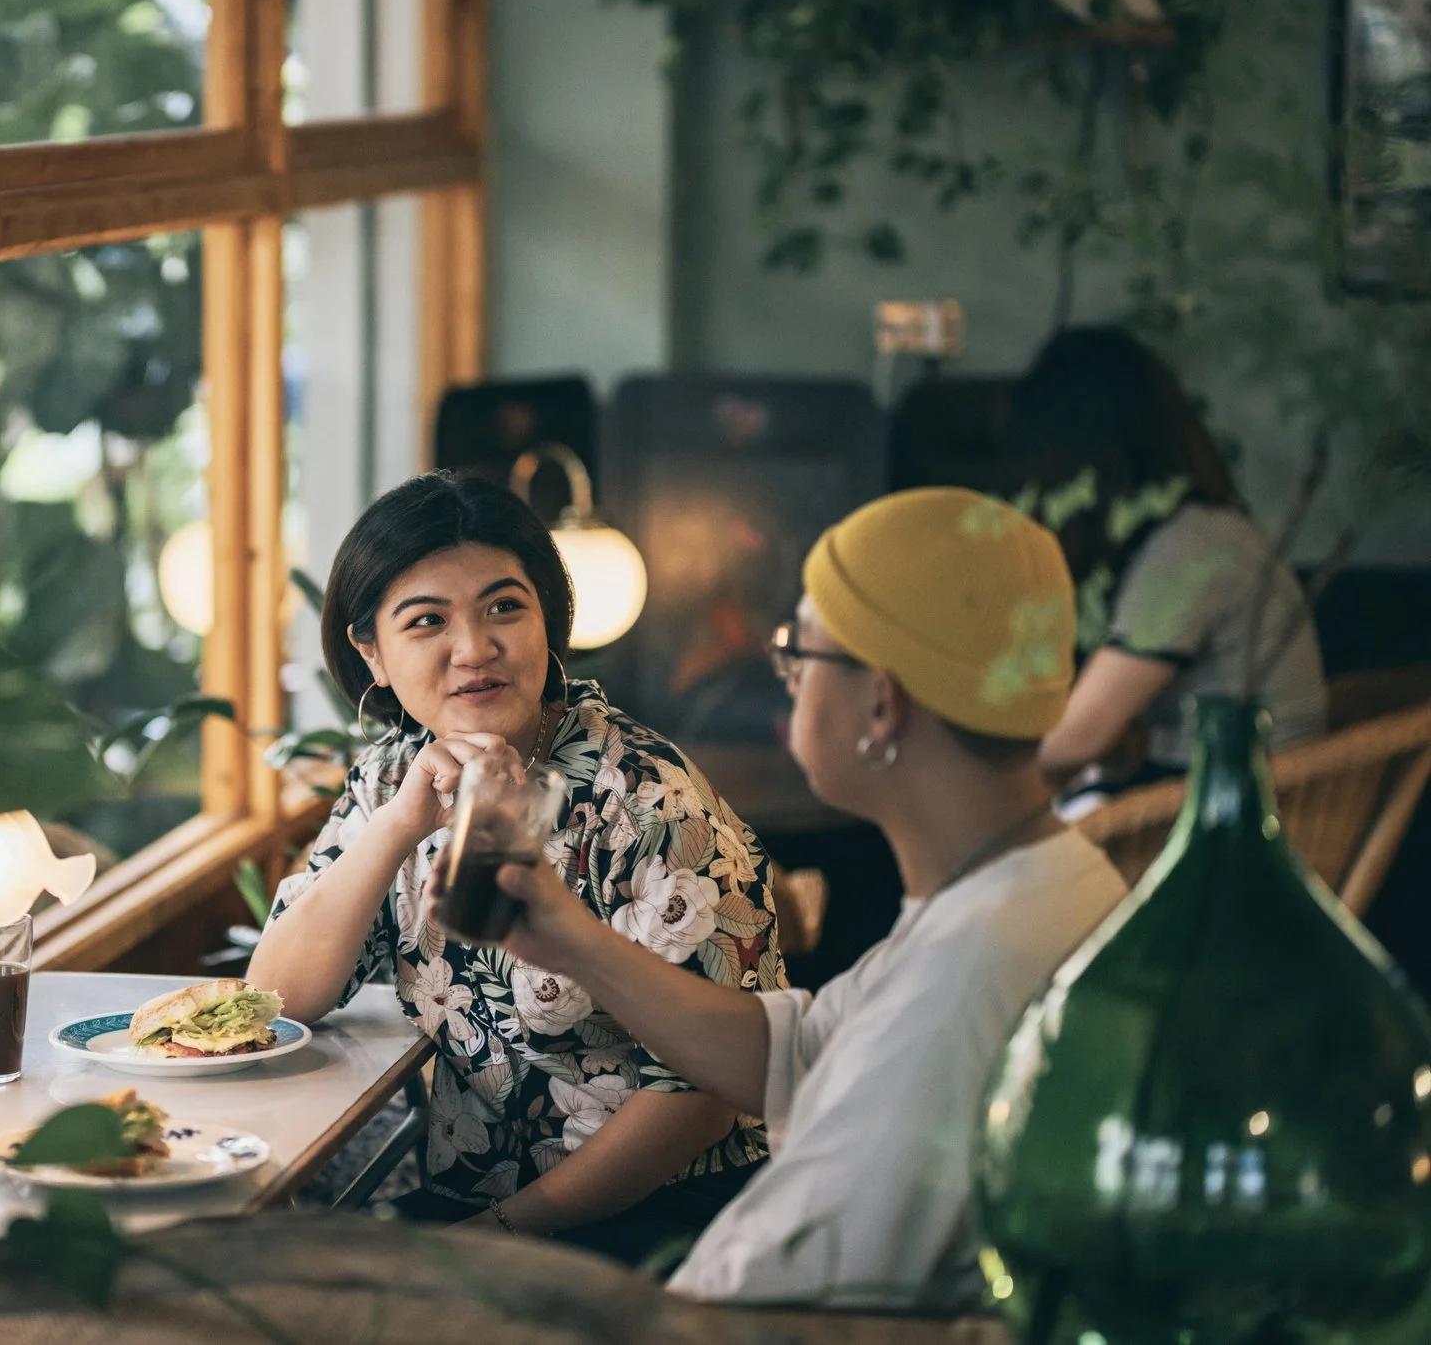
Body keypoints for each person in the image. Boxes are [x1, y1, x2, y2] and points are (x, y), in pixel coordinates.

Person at [437, 488, 1127, 1306]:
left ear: (881, 700)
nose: (787, 678)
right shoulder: (1038, 880)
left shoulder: (968, 979)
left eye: (798, 653)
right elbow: (796, 1054)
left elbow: (760, 1292)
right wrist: (565, 935)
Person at [249, 473, 786, 1263]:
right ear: (373, 653)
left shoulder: (643, 800)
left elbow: (700, 1099)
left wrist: (497, 1237)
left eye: (505, 607)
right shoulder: (390, 777)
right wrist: (399, 824)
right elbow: (278, 998)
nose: (475, 650)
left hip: (662, 1219)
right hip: (477, 1205)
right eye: (428, 621)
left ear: (548, 621)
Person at [1004, 327, 1326, 801]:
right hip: (1255, 797)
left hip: (1242, 815)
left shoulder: (1191, 552)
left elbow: (1075, 739)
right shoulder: (1208, 531)